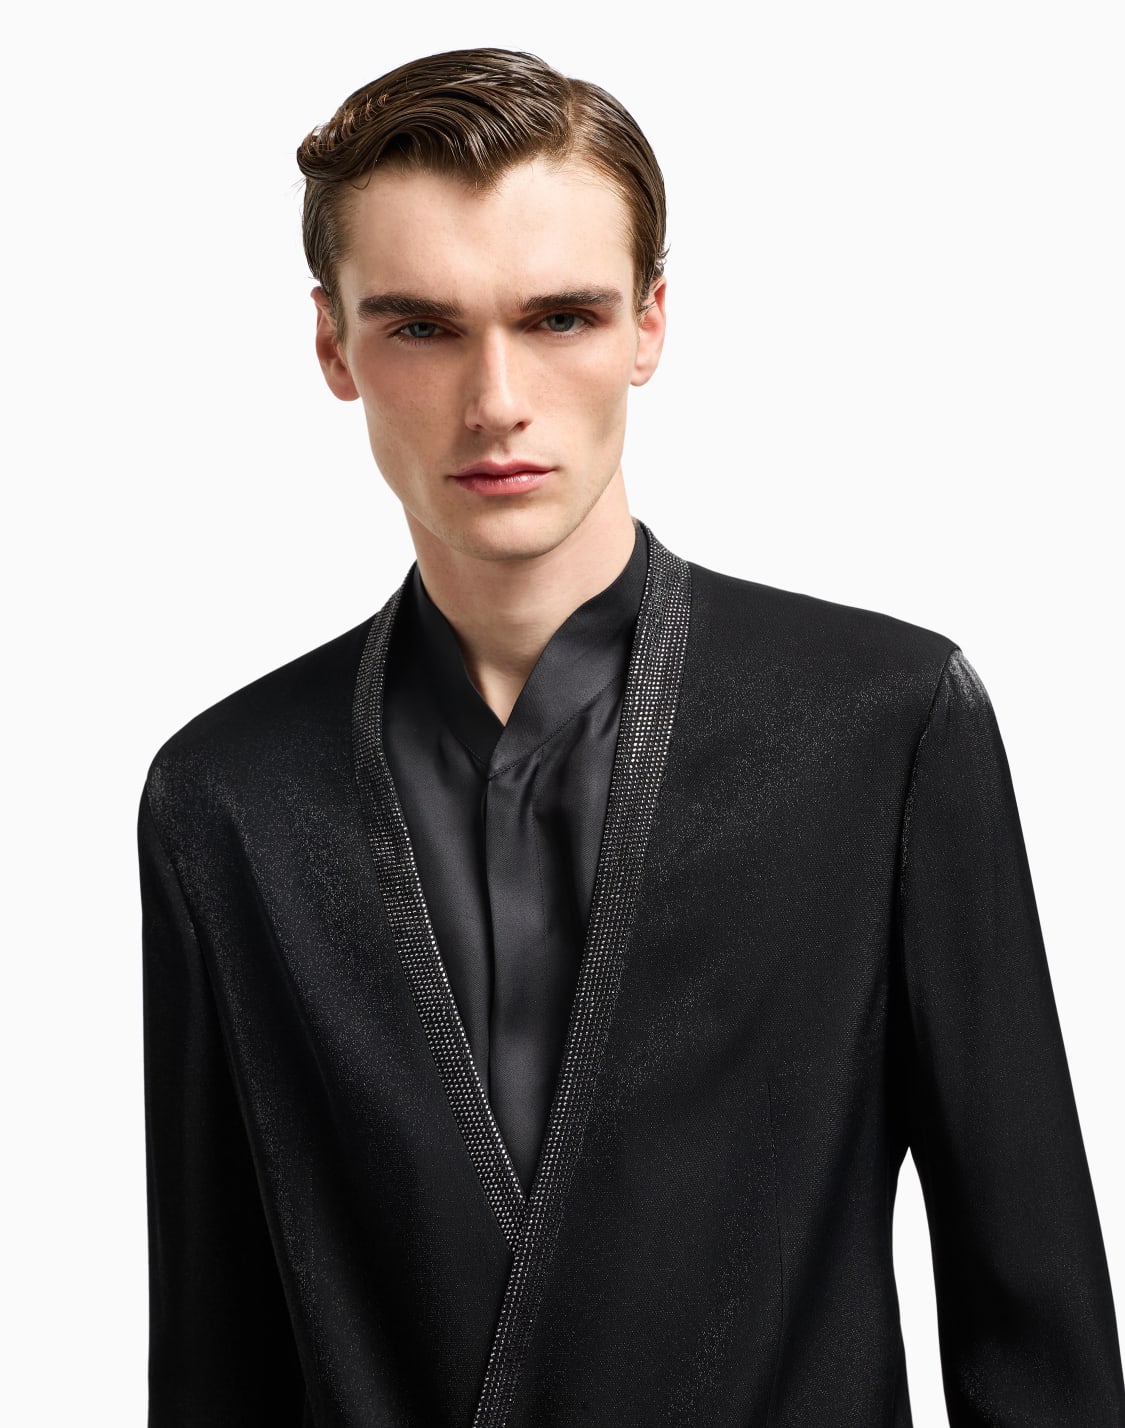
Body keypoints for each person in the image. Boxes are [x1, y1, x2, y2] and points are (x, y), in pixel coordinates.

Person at [138, 47, 1125, 1427]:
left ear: (648, 325)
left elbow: (1036, 1324)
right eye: (421, 327)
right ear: (332, 346)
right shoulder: (227, 795)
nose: (496, 399)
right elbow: (216, 1350)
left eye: (560, 318)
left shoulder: (879, 723)